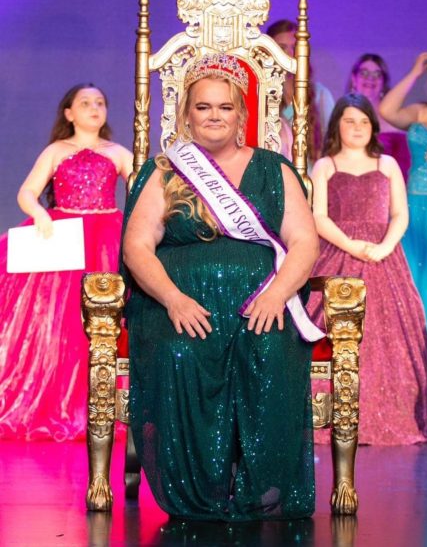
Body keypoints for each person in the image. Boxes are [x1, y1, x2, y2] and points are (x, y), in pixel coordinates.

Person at [121, 53, 322, 520]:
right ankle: (199, 491)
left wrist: (276, 294)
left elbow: (304, 244)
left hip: (265, 304)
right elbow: (137, 248)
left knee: (271, 351)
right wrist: (172, 298)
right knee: (180, 354)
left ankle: (262, 488)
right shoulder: (165, 170)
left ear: (242, 116)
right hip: (176, 308)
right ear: (187, 115)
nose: (214, 116)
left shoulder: (274, 169)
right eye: (204, 107)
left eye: (225, 107)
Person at [0, 83, 133, 441]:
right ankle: (58, 402)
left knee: (103, 321)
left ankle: (103, 405)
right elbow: (26, 191)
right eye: (85, 103)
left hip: (106, 237)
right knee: (58, 321)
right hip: (63, 235)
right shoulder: (57, 151)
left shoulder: (118, 152)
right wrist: (40, 213)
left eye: (100, 102)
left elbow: (141, 188)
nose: (95, 108)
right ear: (69, 113)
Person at [307, 93, 427, 446]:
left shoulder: (387, 165)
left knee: (392, 335)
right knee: (332, 332)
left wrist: (382, 248)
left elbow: (400, 214)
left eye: (364, 121)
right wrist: (352, 246)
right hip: (339, 253)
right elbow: (318, 217)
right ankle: (328, 415)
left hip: (384, 258)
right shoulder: (326, 166)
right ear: (337, 124)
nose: (357, 128)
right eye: (350, 120)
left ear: (373, 126)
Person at [380, 48, 427, 442]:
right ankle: (419, 394)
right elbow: (387, 110)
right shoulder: (421, 112)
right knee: (416, 295)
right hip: (415, 214)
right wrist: (414, 70)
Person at [266, 19, 335, 168]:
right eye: (282, 48)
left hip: (312, 183)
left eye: (295, 48)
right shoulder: (260, 95)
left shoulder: (320, 95)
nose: (290, 54)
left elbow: (333, 147)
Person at [347, 53, 411, 181]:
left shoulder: (394, 117)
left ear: (383, 82)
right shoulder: (342, 117)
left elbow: (404, 165)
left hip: (390, 191)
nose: (370, 78)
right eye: (364, 73)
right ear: (354, 79)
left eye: (377, 74)